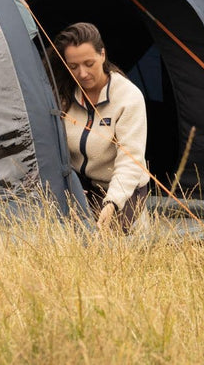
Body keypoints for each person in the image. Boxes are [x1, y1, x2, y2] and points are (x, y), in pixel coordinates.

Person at [52, 22, 150, 234]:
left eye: (89, 63)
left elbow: (129, 160)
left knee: (110, 241)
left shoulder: (128, 97)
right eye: (73, 66)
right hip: (82, 186)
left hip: (124, 188)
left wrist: (112, 203)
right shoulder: (64, 95)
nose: (83, 73)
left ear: (102, 55)